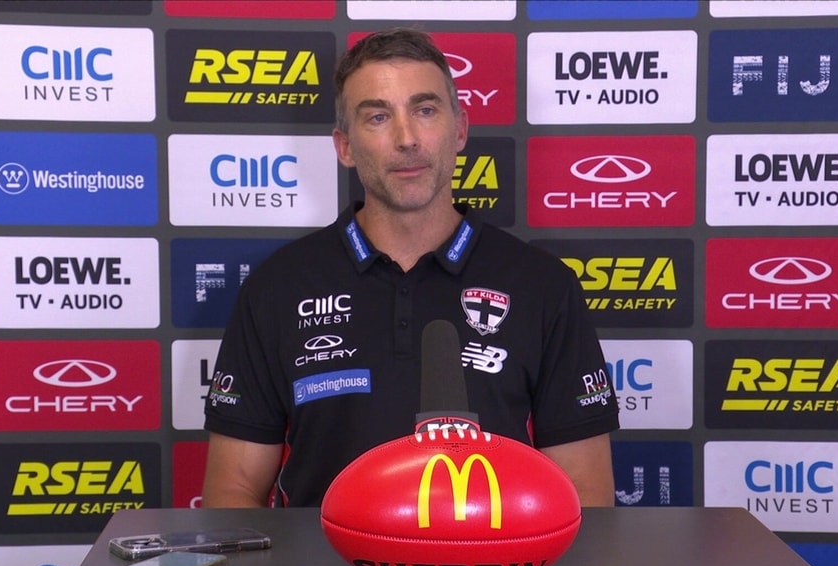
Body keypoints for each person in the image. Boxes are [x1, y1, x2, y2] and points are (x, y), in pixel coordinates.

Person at [201, 27, 618, 508]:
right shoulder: (278, 287)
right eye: (378, 117)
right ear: (345, 146)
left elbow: (586, 495)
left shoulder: (542, 284)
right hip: (323, 559)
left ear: (459, 130)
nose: (406, 139)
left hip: (490, 558)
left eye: (425, 110)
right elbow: (233, 490)